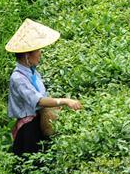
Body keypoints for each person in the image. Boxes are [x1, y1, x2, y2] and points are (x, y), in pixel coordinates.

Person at [6, 18, 81, 157]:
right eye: (38, 50)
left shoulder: (34, 73)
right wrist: (64, 101)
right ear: (28, 55)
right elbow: (38, 100)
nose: (41, 53)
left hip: (38, 123)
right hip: (28, 131)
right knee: (30, 163)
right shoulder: (18, 78)